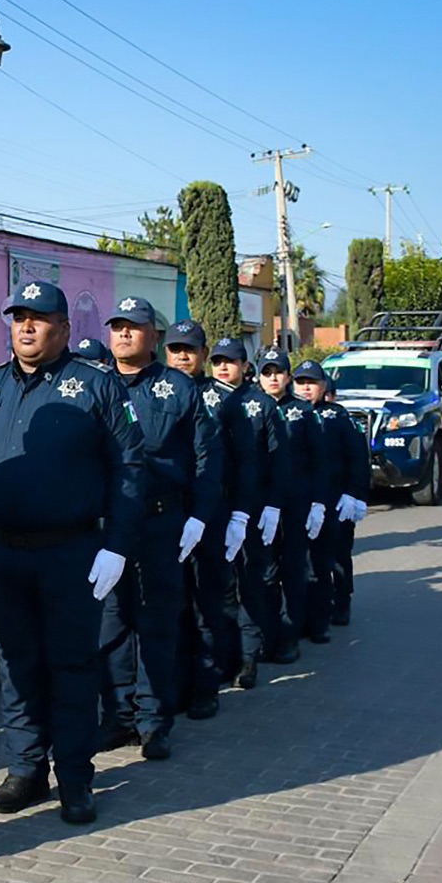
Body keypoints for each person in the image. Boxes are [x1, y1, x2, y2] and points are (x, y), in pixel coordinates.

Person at [0, 281, 144, 823]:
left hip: (71, 552)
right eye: (18, 316)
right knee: (15, 663)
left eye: (38, 318)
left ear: (64, 328)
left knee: (70, 666)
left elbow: (129, 468)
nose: (25, 326)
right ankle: (25, 769)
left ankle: (75, 777)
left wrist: (117, 546)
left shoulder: (96, 387)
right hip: (1, 553)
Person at [98, 298, 222, 761]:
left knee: (156, 621)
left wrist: (199, 516)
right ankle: (118, 716)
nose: (124, 334)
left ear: (154, 335)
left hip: (159, 519)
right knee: (111, 621)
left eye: (134, 327)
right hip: (107, 524)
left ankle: (153, 721)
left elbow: (207, 457)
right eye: (118, 326)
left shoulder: (178, 388)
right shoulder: (93, 384)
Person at [165, 321, 238, 719]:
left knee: (207, 605)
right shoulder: (156, 390)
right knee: (173, 607)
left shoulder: (221, 398)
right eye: (175, 349)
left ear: (203, 355)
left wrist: (239, 513)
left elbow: (237, 460)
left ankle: (206, 686)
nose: (182, 356)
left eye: (189, 350)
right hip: (168, 516)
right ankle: (177, 684)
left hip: (208, 515)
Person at [207, 338, 283, 689]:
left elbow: (277, 458)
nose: (223, 367)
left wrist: (273, 505)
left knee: (251, 582)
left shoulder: (260, 403)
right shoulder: (203, 397)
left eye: (231, 361)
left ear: (245, 365)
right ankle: (225, 656)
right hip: (214, 505)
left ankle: (249, 657)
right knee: (219, 585)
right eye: (218, 361)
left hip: (251, 504)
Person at [258, 348, 325, 660]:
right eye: (267, 372)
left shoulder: (302, 410)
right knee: (264, 571)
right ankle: (266, 633)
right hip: (260, 502)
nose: (273, 378)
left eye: (279, 372)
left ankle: (290, 634)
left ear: (288, 376)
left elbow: (319, 460)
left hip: (296, 501)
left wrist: (318, 502)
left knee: (294, 568)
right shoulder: (249, 406)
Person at [293, 360, 351, 644]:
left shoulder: (337, 416)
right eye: (301, 382)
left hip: (333, 499)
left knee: (331, 559)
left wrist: (355, 494)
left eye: (312, 383)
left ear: (324, 386)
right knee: (302, 564)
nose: (306, 388)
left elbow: (355, 457)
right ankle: (306, 616)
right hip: (300, 499)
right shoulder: (289, 413)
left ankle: (335, 607)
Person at [323, 385, 370, 626]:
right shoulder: (296, 414)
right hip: (312, 498)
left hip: (340, 498)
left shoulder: (343, 419)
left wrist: (355, 495)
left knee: (339, 553)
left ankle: (342, 600)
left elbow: (359, 459)